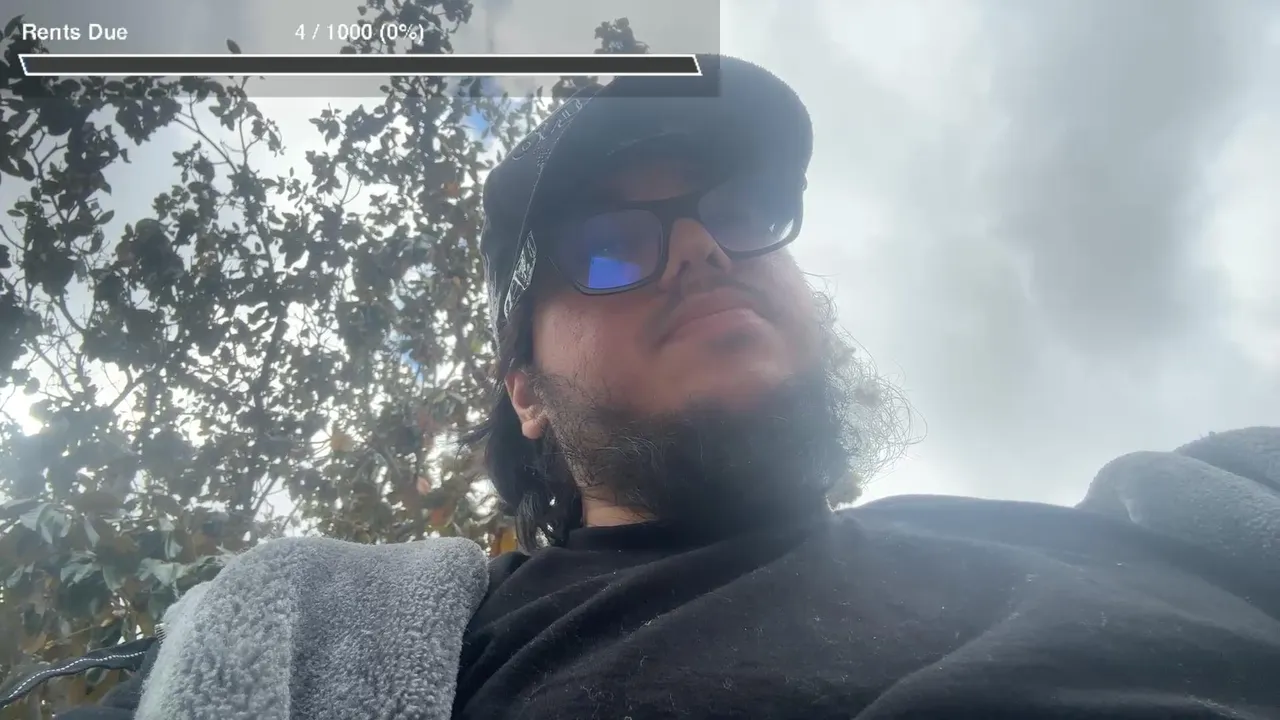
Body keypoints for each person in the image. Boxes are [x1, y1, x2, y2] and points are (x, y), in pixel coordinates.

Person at [15, 54, 1280, 719]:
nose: (699, 251)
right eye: (611, 248)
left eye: (738, 211)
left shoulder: (1172, 523)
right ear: (526, 394)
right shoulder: (357, 648)